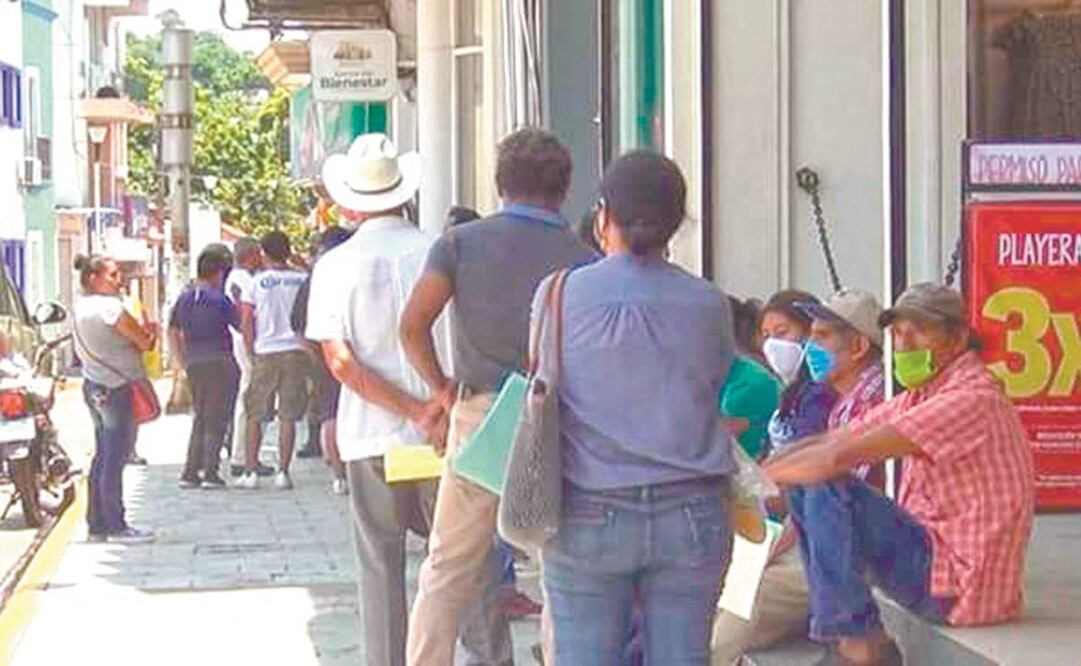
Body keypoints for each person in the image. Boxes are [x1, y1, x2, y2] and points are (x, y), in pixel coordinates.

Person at [309, 133, 509, 666]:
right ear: (404, 192)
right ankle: (489, 657)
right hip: (450, 432)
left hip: (372, 437)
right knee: (466, 562)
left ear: (351, 200)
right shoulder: (441, 251)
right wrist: (434, 405)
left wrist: (409, 410)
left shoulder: (334, 266)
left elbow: (341, 362)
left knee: (380, 567)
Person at [530, 150, 737, 663]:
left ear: (603, 216)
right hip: (693, 511)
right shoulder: (710, 303)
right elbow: (710, 387)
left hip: (587, 510)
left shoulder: (559, 294)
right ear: (676, 223)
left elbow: (541, 377)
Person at [401, 128, 595, 665]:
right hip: (559, 419)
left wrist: (442, 391)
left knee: (448, 565)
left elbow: (413, 325)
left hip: (481, 413)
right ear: (565, 187)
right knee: (560, 565)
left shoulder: (460, 244)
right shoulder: (584, 258)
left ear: (499, 182)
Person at [762, 283, 1035, 665]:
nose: (905, 345)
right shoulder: (923, 395)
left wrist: (755, 484)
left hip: (959, 585)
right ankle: (851, 637)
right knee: (810, 480)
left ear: (957, 338)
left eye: (919, 331)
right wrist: (757, 479)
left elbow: (836, 457)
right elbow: (833, 440)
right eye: (899, 333)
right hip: (934, 564)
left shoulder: (971, 399)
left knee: (825, 481)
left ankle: (856, 642)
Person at [711, 289, 886, 665]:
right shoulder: (834, 397)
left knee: (742, 590)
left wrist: (772, 539)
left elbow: (826, 500)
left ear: (857, 346)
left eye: (821, 337)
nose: (810, 346)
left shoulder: (870, 401)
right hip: (809, 539)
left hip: (847, 553)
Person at [71, 254, 158, 544]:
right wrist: (151, 333)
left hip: (94, 383)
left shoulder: (80, 306)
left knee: (102, 454)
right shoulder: (110, 308)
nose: (118, 280)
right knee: (115, 454)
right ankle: (115, 523)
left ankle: (96, 522)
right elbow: (144, 341)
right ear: (93, 278)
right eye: (112, 274)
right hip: (115, 385)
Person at [236, 231, 308, 491]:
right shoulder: (302, 280)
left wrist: (249, 350)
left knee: (256, 412)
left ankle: (251, 470)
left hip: (265, 350)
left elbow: (246, 320)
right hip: (297, 350)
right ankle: (283, 472)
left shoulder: (256, 283)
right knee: (288, 415)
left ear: (264, 253)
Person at [169, 247, 240, 490]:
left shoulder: (185, 298)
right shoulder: (220, 300)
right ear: (219, 273)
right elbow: (240, 324)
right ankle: (210, 471)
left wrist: (182, 360)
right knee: (216, 417)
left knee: (199, 416)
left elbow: (173, 330)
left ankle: (191, 470)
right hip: (219, 359)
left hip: (195, 361)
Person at [291, 225, 353, 494]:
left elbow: (297, 324)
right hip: (362, 354)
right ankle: (352, 470)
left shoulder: (316, 276)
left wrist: (315, 354)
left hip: (326, 355)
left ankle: (339, 476)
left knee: (331, 413)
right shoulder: (356, 268)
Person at [759, 290, 838, 455]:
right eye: (766, 336)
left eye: (782, 333)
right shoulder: (791, 391)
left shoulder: (821, 391)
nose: (772, 344)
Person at [225, 238, 273, 478]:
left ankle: (245, 454)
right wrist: (251, 345)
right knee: (250, 397)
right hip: (247, 341)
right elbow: (246, 316)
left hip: (241, 340)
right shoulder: (245, 280)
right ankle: (243, 455)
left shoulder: (236, 278)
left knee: (249, 396)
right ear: (251, 255)